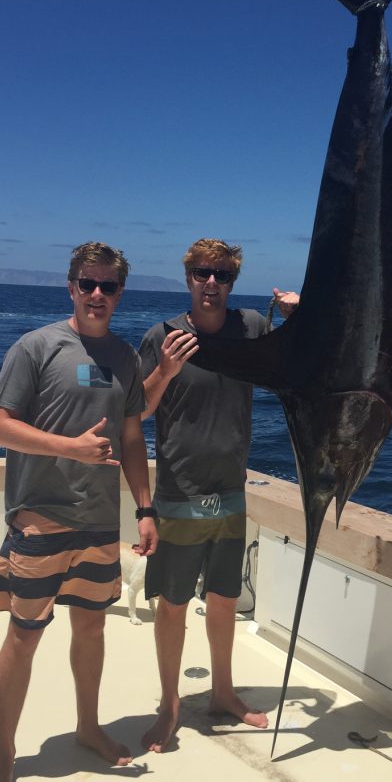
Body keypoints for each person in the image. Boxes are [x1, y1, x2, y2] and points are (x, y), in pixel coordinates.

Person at [0, 242, 158, 782]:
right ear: (71, 287)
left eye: (108, 286)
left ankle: (87, 726)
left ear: (120, 292)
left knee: (92, 630)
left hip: (100, 523)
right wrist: (69, 449)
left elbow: (133, 438)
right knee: (24, 638)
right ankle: (7, 752)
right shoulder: (35, 347)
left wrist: (145, 508)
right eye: (88, 284)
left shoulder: (126, 358)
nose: (98, 295)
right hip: (41, 520)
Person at [139, 238, 298, 753]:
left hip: (230, 492)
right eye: (204, 273)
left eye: (223, 275)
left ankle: (223, 694)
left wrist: (294, 318)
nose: (212, 283)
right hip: (179, 495)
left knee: (226, 598)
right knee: (173, 605)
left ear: (232, 282)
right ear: (188, 277)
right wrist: (164, 369)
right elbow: (136, 410)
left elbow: (290, 366)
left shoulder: (251, 326)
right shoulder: (161, 336)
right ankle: (169, 706)